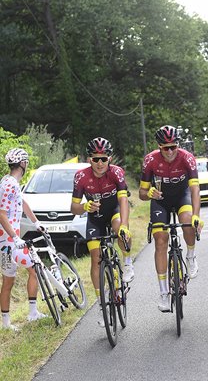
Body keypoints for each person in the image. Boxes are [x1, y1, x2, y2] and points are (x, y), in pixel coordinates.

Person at [139, 125, 202, 312]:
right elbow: (141, 193)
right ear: (159, 146)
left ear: (178, 145)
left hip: (182, 196)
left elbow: (195, 189)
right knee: (160, 240)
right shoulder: (150, 160)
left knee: (188, 222)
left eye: (173, 147)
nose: (169, 151)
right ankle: (164, 293)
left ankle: (190, 256)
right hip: (160, 201)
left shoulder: (187, 158)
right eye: (165, 147)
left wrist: (197, 215)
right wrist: (149, 192)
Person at [71, 138, 132, 326]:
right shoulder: (81, 176)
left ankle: (128, 263)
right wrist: (85, 206)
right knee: (95, 257)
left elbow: (123, 201)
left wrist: (124, 225)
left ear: (109, 159)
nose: (100, 163)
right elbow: (73, 208)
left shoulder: (116, 173)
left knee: (119, 229)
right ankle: (101, 305)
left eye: (103, 159)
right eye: (96, 159)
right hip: (94, 218)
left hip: (114, 212)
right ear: (90, 159)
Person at [0, 148, 47, 331]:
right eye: (26, 161)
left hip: (6, 242)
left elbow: (23, 203)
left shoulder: (9, 181)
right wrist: (15, 237)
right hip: (10, 242)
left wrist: (36, 223)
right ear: (22, 163)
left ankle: (5, 323)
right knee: (35, 269)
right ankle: (33, 313)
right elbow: (2, 214)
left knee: (8, 281)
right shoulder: (10, 184)